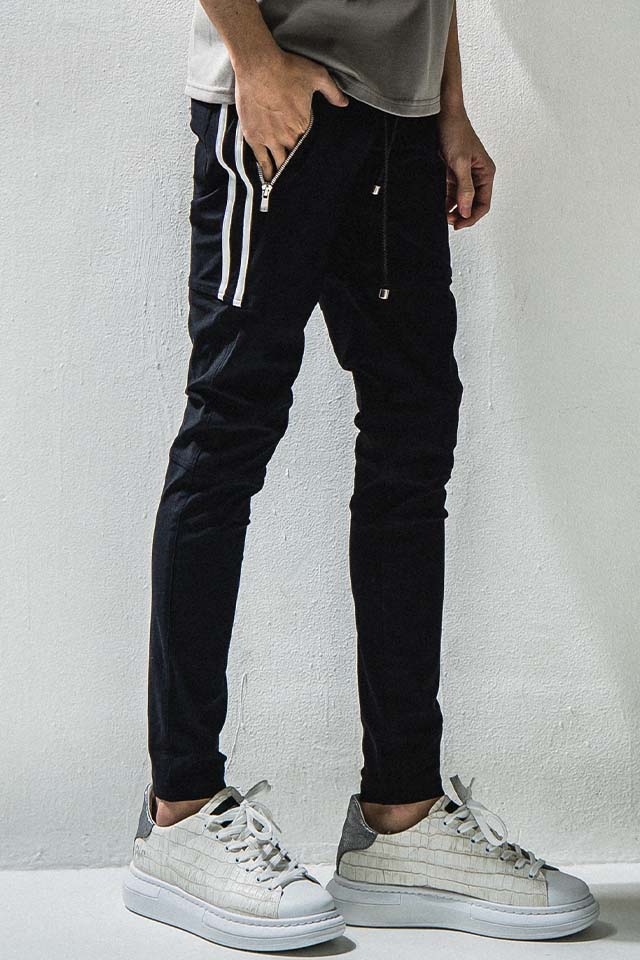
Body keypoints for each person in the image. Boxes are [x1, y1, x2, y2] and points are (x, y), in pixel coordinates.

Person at [123, 0, 599, 949]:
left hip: (402, 121)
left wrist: (448, 107)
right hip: (277, 103)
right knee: (228, 435)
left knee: (413, 442)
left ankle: (400, 818)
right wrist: (253, 61)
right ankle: (179, 809)